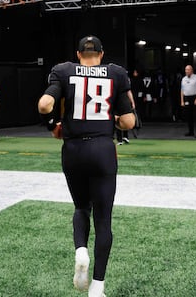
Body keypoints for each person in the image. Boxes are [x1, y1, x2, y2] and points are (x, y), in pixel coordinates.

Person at [37, 35, 135, 297]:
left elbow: (45, 105)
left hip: (73, 150)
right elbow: (128, 122)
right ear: (101, 55)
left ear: (79, 54)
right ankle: (97, 287)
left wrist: (53, 123)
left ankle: (81, 250)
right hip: (102, 149)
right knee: (104, 221)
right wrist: (109, 119)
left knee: (81, 207)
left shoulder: (64, 71)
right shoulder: (115, 73)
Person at [180, 65, 196, 138]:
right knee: (188, 115)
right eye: (186, 70)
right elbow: (182, 90)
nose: (187, 71)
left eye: (188, 70)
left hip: (194, 97)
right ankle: (191, 131)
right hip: (187, 97)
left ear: (191, 70)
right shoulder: (183, 79)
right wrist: (182, 101)